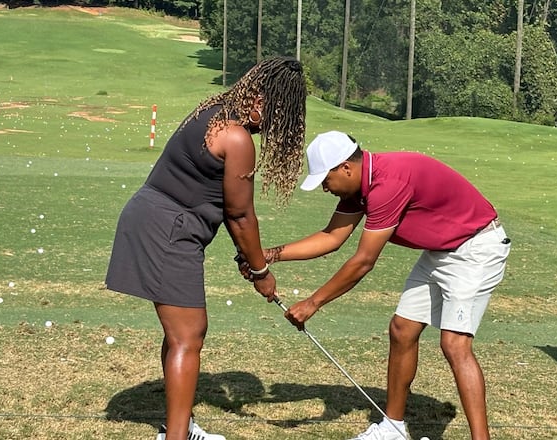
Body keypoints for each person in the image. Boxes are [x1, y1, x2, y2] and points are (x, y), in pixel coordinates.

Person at [252, 131, 510, 440]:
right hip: (441, 251)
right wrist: (269, 256)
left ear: (346, 168)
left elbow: (363, 261)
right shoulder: (359, 187)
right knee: (402, 330)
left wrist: (313, 303)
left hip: (476, 248)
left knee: (454, 344)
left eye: (326, 178)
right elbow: (332, 237)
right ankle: (393, 427)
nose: (324, 187)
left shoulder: (387, 185)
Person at [105, 56, 307, 440]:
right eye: (278, 113)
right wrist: (261, 271)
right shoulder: (237, 137)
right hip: (168, 230)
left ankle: (177, 425)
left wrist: (247, 255)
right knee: (189, 334)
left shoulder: (212, 110)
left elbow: (222, 207)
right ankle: (177, 436)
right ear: (262, 100)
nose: (275, 124)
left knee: (181, 332)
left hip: (154, 218)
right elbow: (241, 215)